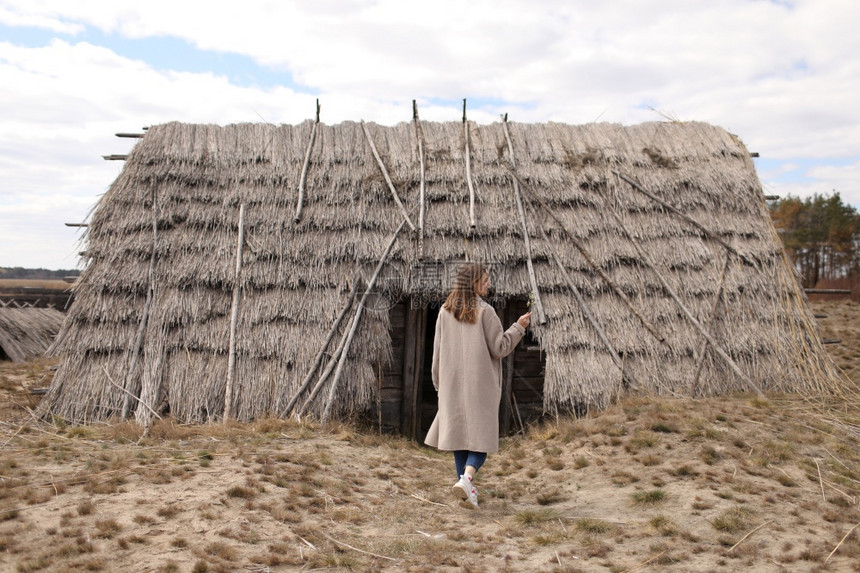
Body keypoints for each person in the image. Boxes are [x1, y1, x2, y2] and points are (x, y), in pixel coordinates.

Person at [424, 263, 532, 509]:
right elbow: (500, 347)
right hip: (479, 386)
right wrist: (519, 327)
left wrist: (438, 384)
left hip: (451, 386)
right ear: (473, 283)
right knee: (481, 440)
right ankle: (467, 479)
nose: (489, 284)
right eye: (485, 280)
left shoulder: (444, 311)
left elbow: (437, 353)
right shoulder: (486, 311)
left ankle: (466, 491)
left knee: (459, 439)